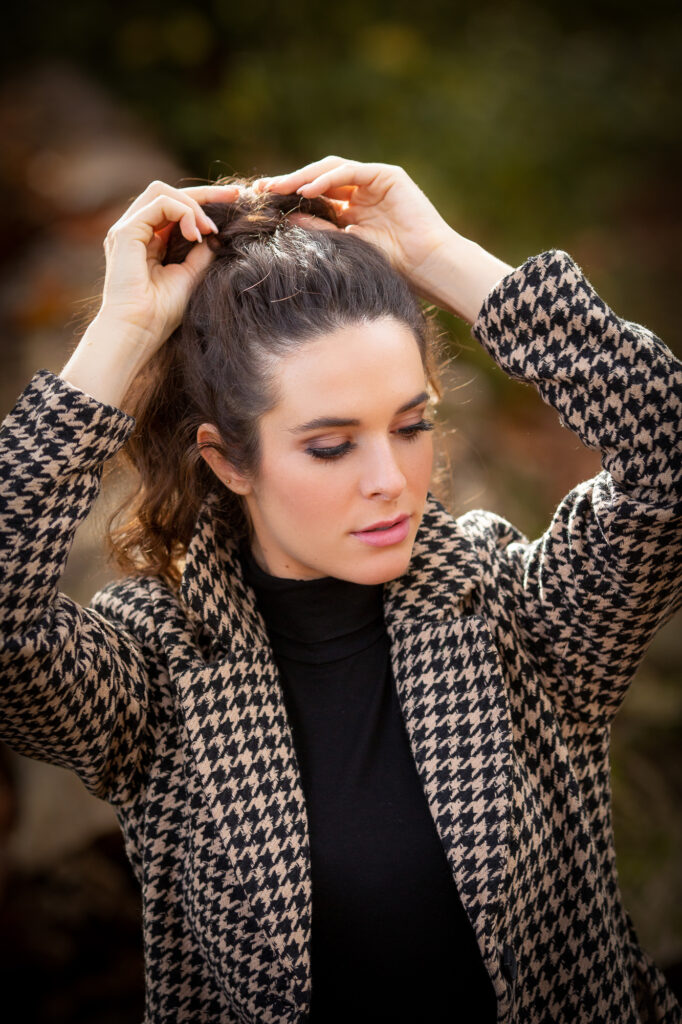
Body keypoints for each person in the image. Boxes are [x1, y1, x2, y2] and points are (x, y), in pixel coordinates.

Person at [0, 154, 680, 1024]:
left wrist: (442, 257)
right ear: (227, 459)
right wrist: (126, 329)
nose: (392, 479)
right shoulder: (157, 668)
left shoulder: (517, 612)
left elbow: (671, 458)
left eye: (410, 426)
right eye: (331, 445)